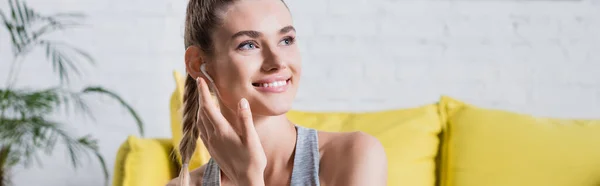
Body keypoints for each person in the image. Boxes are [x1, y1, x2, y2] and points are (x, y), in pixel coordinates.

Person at [167, 0, 387, 185]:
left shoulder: (353, 155)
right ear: (198, 64)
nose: (278, 62)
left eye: (286, 40)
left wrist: (248, 179)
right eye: (248, 45)